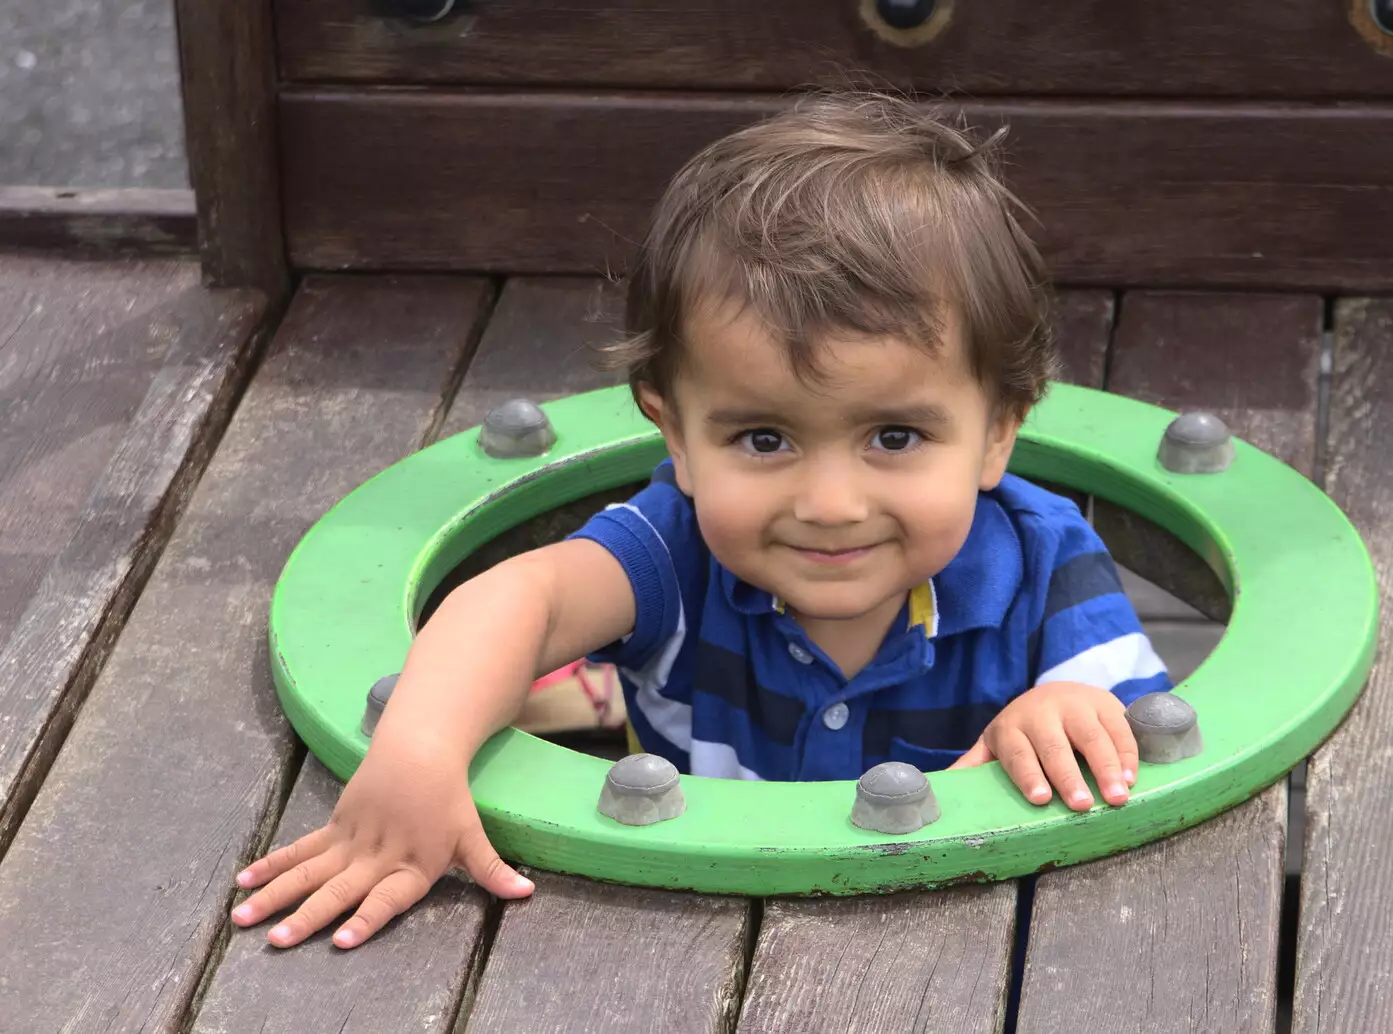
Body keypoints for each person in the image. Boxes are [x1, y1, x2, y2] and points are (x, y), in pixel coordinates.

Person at [231, 90, 1172, 950]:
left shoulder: (1046, 565)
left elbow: (1147, 744)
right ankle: (600, 685)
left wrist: (1066, 711)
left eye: (895, 434)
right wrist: (420, 751)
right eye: (764, 440)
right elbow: (517, 596)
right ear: (676, 436)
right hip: (675, 927)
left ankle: (600, 688)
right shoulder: (676, 547)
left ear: (998, 433)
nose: (831, 504)